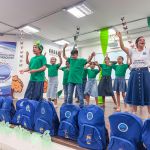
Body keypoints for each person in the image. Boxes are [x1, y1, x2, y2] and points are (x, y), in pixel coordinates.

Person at [117, 31, 150, 117]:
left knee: (148, 93)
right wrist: (120, 37)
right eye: (140, 40)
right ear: (137, 43)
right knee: (134, 92)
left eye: (144, 40)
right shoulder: (132, 51)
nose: (143, 41)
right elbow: (122, 47)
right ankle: (134, 114)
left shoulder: (148, 50)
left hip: (145, 73)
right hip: (134, 74)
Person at [63, 44, 95, 108]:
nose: (72, 56)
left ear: (77, 54)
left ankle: (81, 107)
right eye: (72, 55)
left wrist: (91, 56)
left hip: (78, 80)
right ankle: (69, 106)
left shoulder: (81, 60)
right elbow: (64, 56)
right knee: (69, 95)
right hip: (71, 80)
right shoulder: (71, 60)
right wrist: (64, 48)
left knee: (80, 95)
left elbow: (88, 61)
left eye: (74, 55)